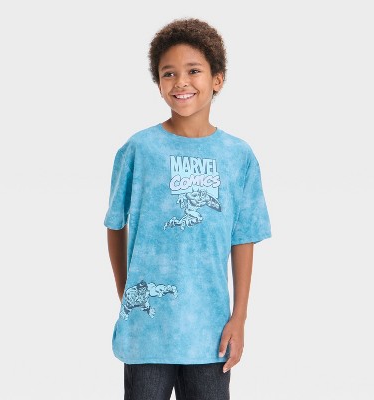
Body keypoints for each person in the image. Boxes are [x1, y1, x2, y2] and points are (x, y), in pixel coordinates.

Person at [104, 17, 272, 400]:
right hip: (147, 333)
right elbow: (115, 225)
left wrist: (239, 317)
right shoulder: (138, 150)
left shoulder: (238, 156)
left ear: (217, 79)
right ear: (159, 83)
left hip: (211, 333)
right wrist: (128, 295)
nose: (181, 82)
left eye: (193, 70)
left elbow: (243, 237)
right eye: (169, 73)